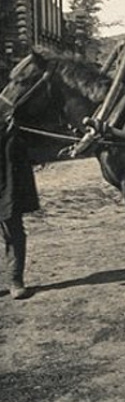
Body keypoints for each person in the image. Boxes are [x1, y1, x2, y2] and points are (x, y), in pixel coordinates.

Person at [0, 107, 40, 299]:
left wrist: (12, 127)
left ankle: (15, 280)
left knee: (12, 227)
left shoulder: (8, 105)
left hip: (6, 171)